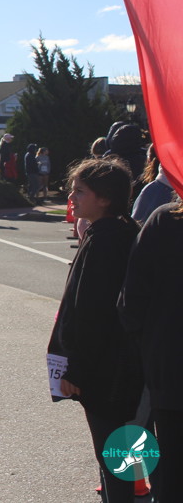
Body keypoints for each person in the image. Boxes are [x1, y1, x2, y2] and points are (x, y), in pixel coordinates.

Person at [48, 158, 142, 503]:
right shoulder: (121, 231)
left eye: (79, 191)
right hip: (120, 363)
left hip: (104, 369)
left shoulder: (105, 241)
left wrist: (76, 369)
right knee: (123, 447)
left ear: (104, 198)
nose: (71, 198)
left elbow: (92, 312)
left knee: (112, 451)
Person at [120, 201, 183, 500]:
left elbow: (131, 302)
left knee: (173, 471)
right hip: (168, 365)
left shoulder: (166, 219)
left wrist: (149, 348)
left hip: (170, 367)